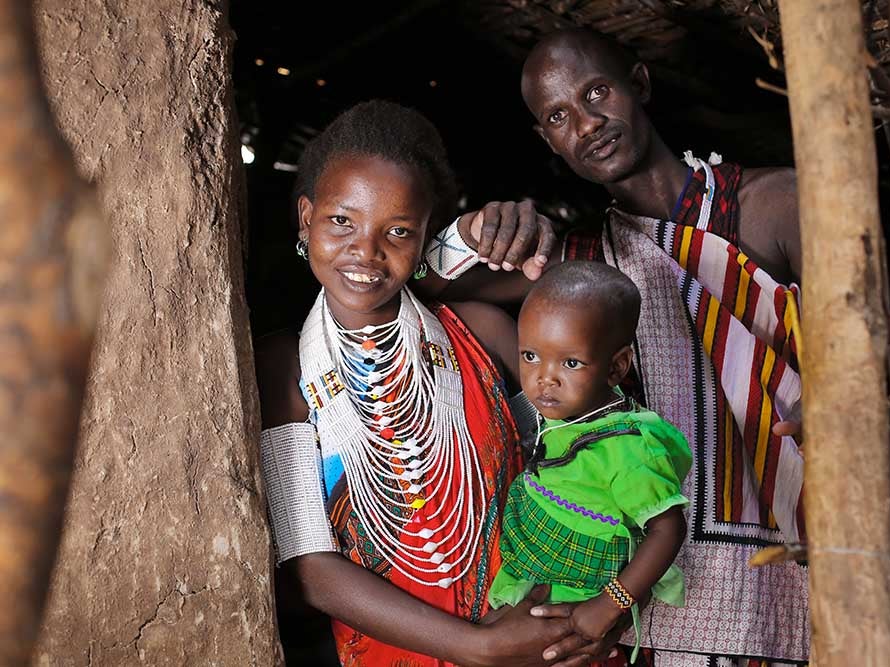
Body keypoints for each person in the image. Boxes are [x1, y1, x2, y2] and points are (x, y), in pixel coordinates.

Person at [414, 29, 809, 666]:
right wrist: (473, 231)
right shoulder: (578, 267)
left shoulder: (770, 206)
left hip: (795, 567)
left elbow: (881, 344)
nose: (588, 123)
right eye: (559, 116)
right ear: (547, 140)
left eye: (596, 92)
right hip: (652, 606)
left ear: (640, 84)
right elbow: (414, 281)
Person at [254, 100, 607, 667]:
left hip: (538, 633)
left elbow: (582, 473)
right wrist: (476, 646)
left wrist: (577, 611)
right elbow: (309, 567)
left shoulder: (484, 334)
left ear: (424, 240)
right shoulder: (284, 370)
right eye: (341, 220)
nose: (365, 251)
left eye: (398, 231)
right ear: (305, 218)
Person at [487, 262, 691, 667]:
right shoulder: (566, 410)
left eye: (571, 363)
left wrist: (608, 606)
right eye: (530, 355)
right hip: (541, 572)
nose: (545, 378)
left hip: (577, 598)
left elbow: (668, 529)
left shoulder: (628, 450)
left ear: (616, 367)